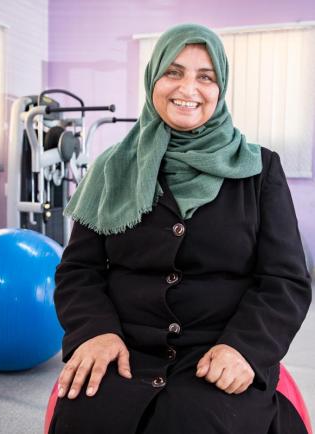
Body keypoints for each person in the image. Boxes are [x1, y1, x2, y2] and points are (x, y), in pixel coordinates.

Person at [49, 23, 312, 434]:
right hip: (125, 348)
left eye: (205, 76)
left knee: (203, 422)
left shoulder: (260, 170)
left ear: (220, 87)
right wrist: (95, 332)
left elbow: (285, 280)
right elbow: (79, 271)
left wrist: (244, 349)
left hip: (218, 350)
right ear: (153, 79)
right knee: (86, 417)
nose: (188, 87)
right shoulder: (110, 168)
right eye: (173, 72)